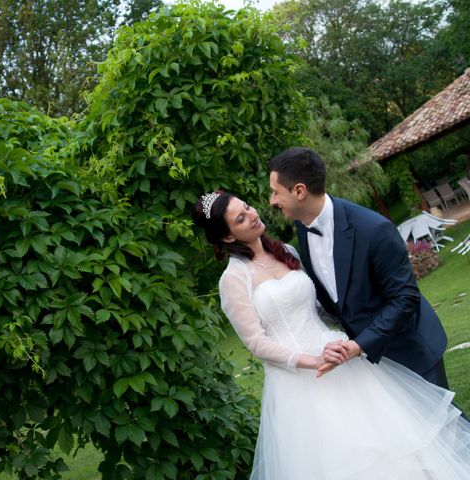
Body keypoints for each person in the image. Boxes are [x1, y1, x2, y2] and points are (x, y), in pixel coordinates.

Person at [192, 190, 470, 480]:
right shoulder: (234, 279)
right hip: (300, 379)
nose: (252, 214)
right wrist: (313, 361)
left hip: (339, 356)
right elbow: (257, 343)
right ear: (227, 237)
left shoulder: (287, 252)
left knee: (396, 442)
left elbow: (317, 307)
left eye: (247, 207)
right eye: (240, 218)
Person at [268, 147, 450, 386]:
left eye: (275, 192)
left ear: (299, 191)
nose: (272, 201)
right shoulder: (303, 227)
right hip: (368, 364)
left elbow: (404, 298)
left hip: (411, 351)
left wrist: (360, 344)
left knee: (442, 422)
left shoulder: (373, 229)